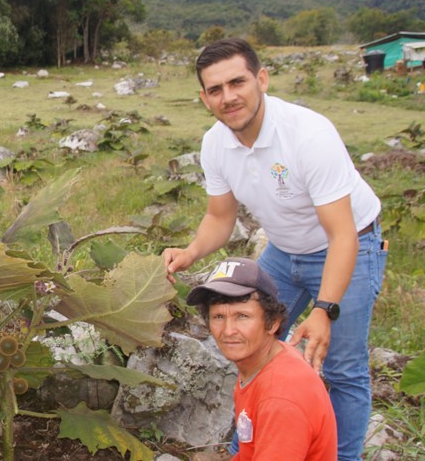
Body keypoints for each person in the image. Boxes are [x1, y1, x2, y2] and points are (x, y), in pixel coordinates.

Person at [162, 38, 386, 460]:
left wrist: (325, 309)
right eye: (215, 89)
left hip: (347, 245)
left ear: (261, 79)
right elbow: (220, 218)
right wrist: (191, 252)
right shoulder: (215, 144)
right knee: (250, 344)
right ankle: (246, 448)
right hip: (284, 251)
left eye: (237, 82)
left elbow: (342, 235)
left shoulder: (308, 135)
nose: (228, 97)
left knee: (341, 367)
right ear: (204, 97)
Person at [187, 257, 337, 460]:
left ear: (273, 323)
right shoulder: (266, 361)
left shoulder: (281, 399)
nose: (228, 331)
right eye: (219, 317)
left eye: (243, 316)